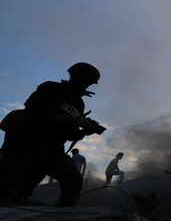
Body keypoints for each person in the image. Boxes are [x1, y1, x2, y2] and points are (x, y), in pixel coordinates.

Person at [0, 62, 104, 206]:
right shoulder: (50, 88)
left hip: (52, 150)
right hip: (26, 145)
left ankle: (63, 219)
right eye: (86, 81)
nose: (87, 86)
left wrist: (85, 131)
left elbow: (70, 134)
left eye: (90, 84)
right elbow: (35, 114)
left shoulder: (79, 104)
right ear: (75, 76)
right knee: (8, 189)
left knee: (73, 180)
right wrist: (74, 119)